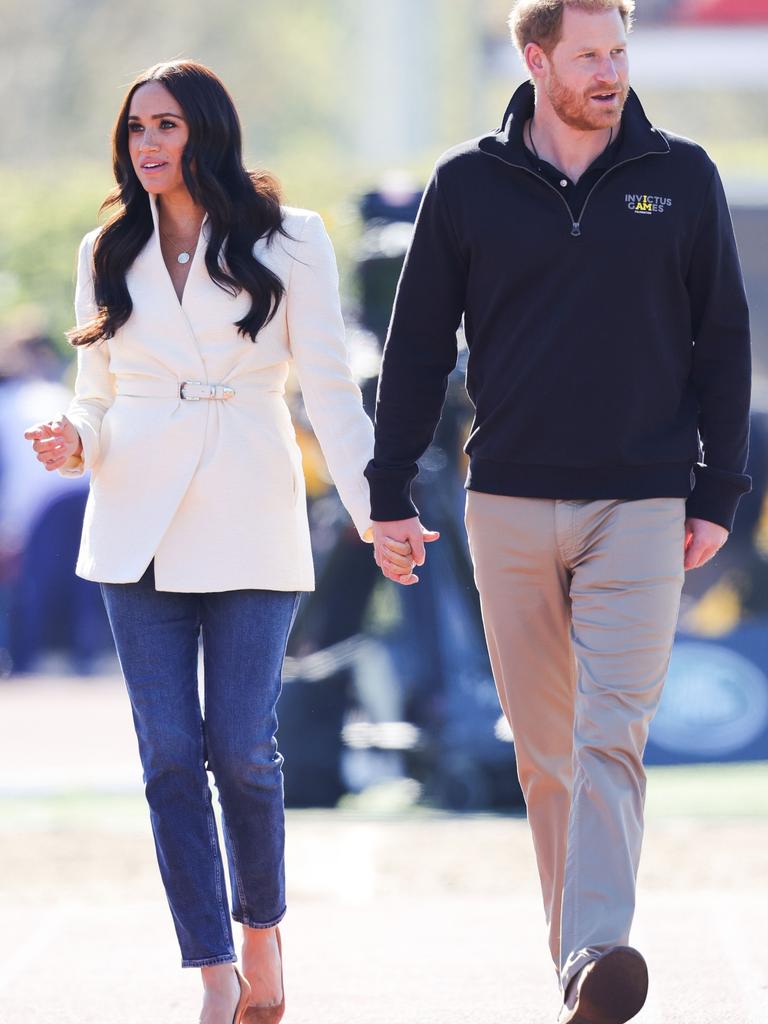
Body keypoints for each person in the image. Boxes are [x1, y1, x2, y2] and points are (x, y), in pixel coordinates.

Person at [365, 2, 751, 1023]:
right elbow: (413, 348)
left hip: (643, 499)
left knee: (609, 731)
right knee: (545, 748)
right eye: (589, 55)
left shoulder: (683, 176)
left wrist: (719, 490)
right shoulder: (465, 186)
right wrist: (387, 488)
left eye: (619, 52)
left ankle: (597, 946)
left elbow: (724, 339)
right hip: (508, 501)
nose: (610, 72)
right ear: (535, 60)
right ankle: (579, 966)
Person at [25, 60, 413, 1024]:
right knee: (166, 758)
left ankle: (261, 934)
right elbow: (98, 391)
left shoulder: (294, 240)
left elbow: (331, 392)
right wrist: (77, 438)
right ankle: (212, 973)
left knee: (241, 749)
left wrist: (376, 514)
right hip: (133, 525)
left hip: (250, 512)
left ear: (206, 131)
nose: (148, 144)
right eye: (135, 130)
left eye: (164, 125)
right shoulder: (106, 247)